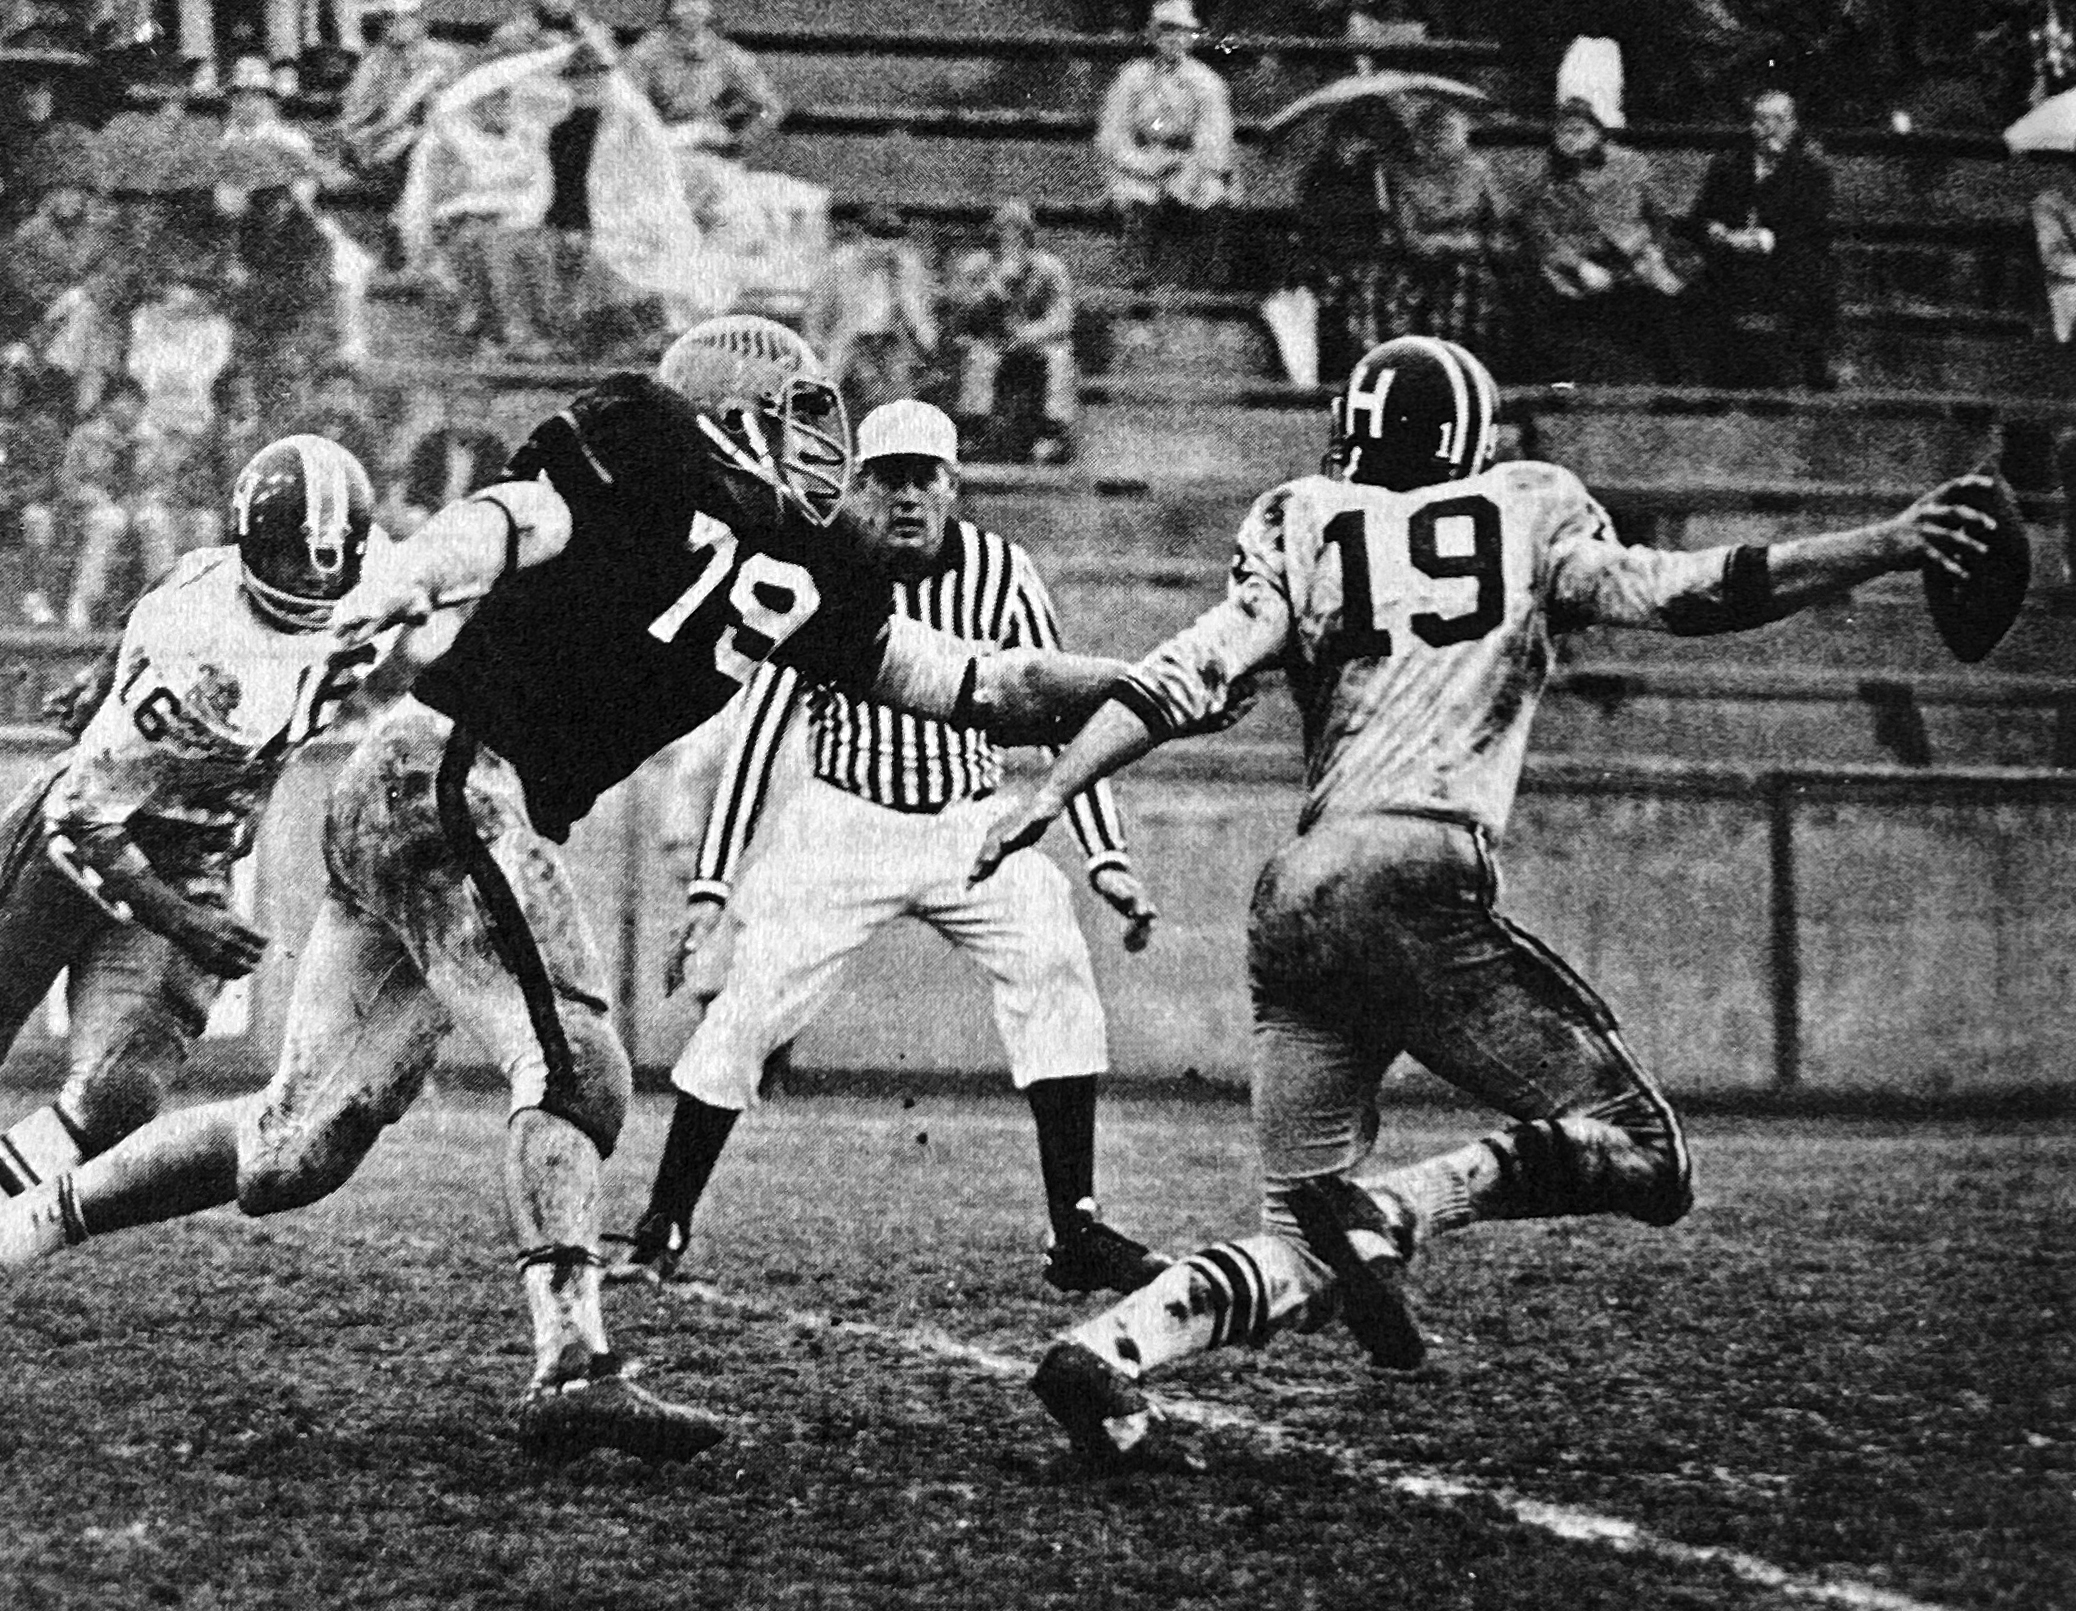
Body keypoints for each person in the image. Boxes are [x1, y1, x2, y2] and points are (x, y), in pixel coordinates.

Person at [0, 315, 1145, 1464]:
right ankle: (573, 1363)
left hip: (423, 798)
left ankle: (18, 1228)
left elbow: (982, 684)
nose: (820, 447)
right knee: (579, 1064)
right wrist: (397, 583)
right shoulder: (648, 445)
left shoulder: (817, 571)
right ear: (734, 415)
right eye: (797, 416)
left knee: (292, 1152)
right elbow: (509, 524)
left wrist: (1156, 683)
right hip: (453, 770)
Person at [967, 335, 1996, 1461]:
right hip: (1415, 876)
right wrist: (1886, 543)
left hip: (1298, 902)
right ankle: (1399, 1211)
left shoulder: (1303, 520)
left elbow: (1180, 672)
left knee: (1295, 1238)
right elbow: (1691, 592)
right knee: (1648, 1155)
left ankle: (1109, 1355)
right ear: (1472, 439)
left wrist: (1053, 787)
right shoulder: (1529, 509)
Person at [606, 401, 1164, 1292]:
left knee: (1055, 962)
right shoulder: (823, 567)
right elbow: (757, 730)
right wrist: (713, 885)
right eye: (886, 477)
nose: (906, 497)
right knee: (745, 1010)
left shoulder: (1002, 570)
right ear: (857, 484)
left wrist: (1106, 860)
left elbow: (1066, 718)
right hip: (844, 822)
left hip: (969, 820)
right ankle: (660, 1225)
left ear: (952, 484)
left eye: (923, 477)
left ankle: (1078, 1228)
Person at [0, 435, 392, 1205]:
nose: (315, 580)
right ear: (252, 546)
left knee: (120, 1096)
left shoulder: (382, 579)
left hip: (198, 848)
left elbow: (172, 576)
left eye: (330, 558)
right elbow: (83, 816)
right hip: (81, 841)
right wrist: (182, 919)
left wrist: (103, 671)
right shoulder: (204, 652)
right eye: (290, 560)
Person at [1517, 95, 1696, 384]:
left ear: (1598, 132)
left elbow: (1658, 216)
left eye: (1579, 131)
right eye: (1563, 133)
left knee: (1666, 301)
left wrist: (1655, 252)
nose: (1571, 140)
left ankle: (1676, 386)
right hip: (1579, 264)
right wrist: (1578, 265)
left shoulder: (1632, 164)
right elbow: (1540, 234)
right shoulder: (1546, 181)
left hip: (1635, 255)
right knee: (1561, 310)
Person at [1690, 87, 1837, 390]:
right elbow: (1702, 214)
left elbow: (1812, 225)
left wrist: (1764, 238)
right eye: (1760, 120)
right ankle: (1714, 380)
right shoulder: (1729, 163)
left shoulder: (1810, 167)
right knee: (1702, 282)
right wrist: (1715, 229)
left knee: (1811, 278)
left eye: (1777, 120)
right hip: (1730, 253)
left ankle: (1810, 374)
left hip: (1785, 255)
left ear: (1792, 124)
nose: (1766, 128)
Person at [620, 0, 784, 247]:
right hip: (661, 151)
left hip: (711, 152)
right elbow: (626, 106)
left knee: (739, 229)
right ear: (670, 15)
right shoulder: (648, 53)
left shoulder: (727, 55)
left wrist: (738, 144)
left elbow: (771, 108)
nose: (691, 39)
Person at [1096, 0, 1234, 290]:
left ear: (1192, 37)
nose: (1173, 39)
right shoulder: (1132, 76)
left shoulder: (1207, 82)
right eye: (1165, 30)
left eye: (1182, 31)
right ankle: (1136, 278)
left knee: (1213, 194)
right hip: (1141, 161)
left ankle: (1209, 281)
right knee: (1137, 195)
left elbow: (1214, 140)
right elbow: (1112, 135)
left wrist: (1187, 170)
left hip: (1189, 164)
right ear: (1153, 34)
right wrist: (1142, 163)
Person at [946, 201, 1078, 466]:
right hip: (987, 338)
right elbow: (960, 316)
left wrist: (1027, 333)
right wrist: (991, 292)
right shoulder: (975, 266)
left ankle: (1054, 432)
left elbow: (1062, 318)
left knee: (1059, 356)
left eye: (1018, 230)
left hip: (1031, 338)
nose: (1011, 237)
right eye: (1004, 230)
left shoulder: (1050, 268)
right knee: (979, 357)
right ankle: (972, 429)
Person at [1384, 101, 1509, 355]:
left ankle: (1462, 359)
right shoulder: (1407, 177)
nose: (1442, 139)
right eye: (1434, 133)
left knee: (1468, 286)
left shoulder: (1480, 172)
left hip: (1471, 257)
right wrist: (1439, 243)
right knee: (1400, 295)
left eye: (1449, 132)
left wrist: (1478, 242)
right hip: (1421, 261)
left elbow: (1500, 223)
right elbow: (1407, 234)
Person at [802, 206, 938, 426]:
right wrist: (815, 340)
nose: (885, 247)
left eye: (892, 239)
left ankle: (894, 450)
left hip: (891, 340)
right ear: (863, 236)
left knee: (899, 398)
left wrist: (926, 339)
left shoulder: (907, 262)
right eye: (878, 238)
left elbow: (919, 308)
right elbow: (817, 306)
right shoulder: (841, 261)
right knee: (826, 392)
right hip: (849, 339)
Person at [337, 0, 466, 197]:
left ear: (420, 21)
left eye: (396, 20)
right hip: (380, 140)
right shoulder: (379, 59)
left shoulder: (441, 57)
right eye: (387, 21)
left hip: (423, 135)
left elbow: (401, 110)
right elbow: (361, 113)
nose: (389, 27)